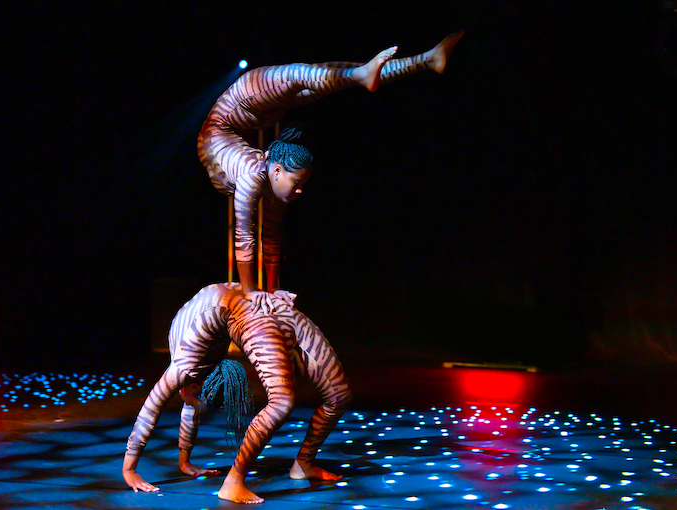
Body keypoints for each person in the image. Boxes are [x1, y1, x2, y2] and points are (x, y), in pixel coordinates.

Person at [197, 31, 465, 313]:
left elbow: (271, 236)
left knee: (328, 75)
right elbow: (245, 235)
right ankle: (383, 69)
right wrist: (251, 292)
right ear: (277, 170)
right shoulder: (252, 176)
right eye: (297, 182)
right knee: (300, 75)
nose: (300, 190)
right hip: (221, 124)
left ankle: (426, 59)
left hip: (243, 122)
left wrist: (274, 291)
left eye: (301, 183)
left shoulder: (270, 182)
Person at [122, 282, 352, 504]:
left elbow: (152, 408)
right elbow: (187, 408)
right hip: (244, 307)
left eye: (196, 398)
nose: (198, 400)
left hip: (246, 304)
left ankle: (303, 464)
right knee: (281, 402)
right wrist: (181, 463)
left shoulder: (184, 367)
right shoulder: (189, 371)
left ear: (186, 390)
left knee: (338, 396)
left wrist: (131, 469)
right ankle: (234, 481)